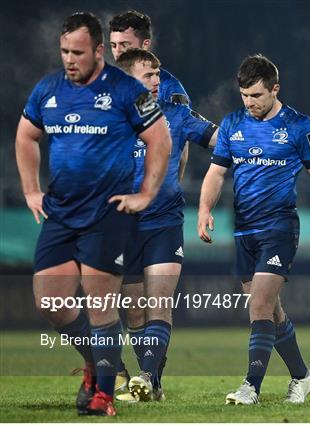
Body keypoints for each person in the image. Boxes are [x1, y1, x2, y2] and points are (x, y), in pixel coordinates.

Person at [15, 12, 171, 416]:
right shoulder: (47, 90)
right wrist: (32, 189)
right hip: (61, 212)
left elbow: (160, 138)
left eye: (78, 52)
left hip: (107, 212)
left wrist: (146, 194)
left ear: (99, 51)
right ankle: (96, 363)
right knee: (49, 300)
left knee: (101, 302)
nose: (70, 59)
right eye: (65, 51)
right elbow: (26, 135)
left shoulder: (123, 90)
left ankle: (102, 395)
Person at [198, 54, 310, 405]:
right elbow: (217, 172)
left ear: (275, 89)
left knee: (260, 306)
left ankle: (251, 386)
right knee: (272, 312)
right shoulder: (233, 123)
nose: (249, 103)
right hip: (243, 231)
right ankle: (302, 376)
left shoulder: (298, 126)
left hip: (279, 227)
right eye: (245, 96)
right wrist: (204, 209)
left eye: (257, 96)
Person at [108, 9, 218, 398]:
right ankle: (133, 376)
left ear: (145, 47)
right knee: (132, 311)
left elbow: (203, 138)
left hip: (164, 216)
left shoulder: (171, 98)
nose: (117, 51)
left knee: (159, 303)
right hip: (120, 222)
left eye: (125, 45)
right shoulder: (101, 103)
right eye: (114, 45)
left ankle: (149, 378)